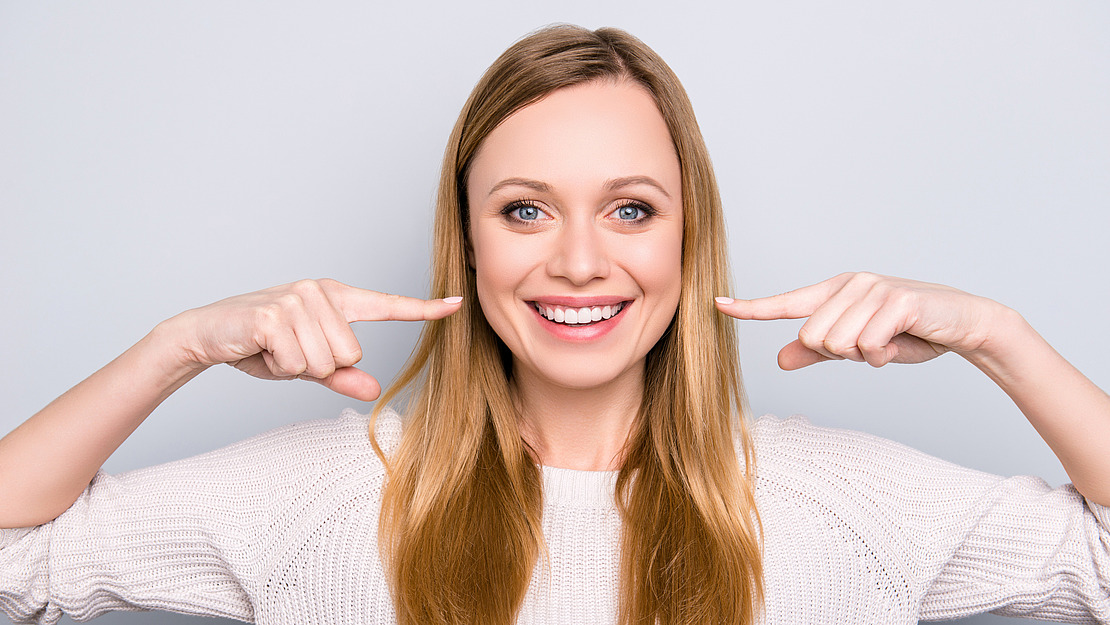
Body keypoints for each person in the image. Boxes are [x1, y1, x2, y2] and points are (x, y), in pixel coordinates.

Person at [1, 23, 1108, 625]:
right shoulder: (319, 495)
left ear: (688, 238)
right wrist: (177, 347)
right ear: (470, 243)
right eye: (525, 209)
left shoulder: (846, 501)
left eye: (631, 209)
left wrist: (997, 335)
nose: (580, 259)